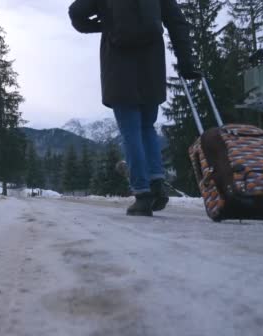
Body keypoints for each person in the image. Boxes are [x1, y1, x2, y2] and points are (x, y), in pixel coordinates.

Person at [68, 0, 199, 216]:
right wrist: (186, 61)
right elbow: (177, 22)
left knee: (130, 131)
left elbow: (76, 13)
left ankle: (142, 194)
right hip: (152, 68)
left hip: (118, 70)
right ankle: (156, 183)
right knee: (147, 127)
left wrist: (102, 25)